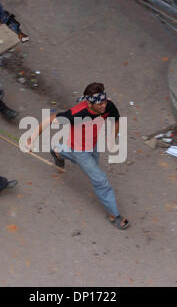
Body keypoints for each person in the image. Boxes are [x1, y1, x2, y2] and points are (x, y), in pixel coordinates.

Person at [27, 82, 129, 229]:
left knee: (89, 166)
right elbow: (50, 119)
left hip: (94, 144)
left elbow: (116, 119)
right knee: (101, 180)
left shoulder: (108, 105)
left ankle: (58, 150)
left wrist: (113, 136)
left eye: (104, 102)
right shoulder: (76, 114)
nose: (103, 106)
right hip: (79, 149)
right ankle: (114, 215)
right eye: (99, 104)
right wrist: (31, 138)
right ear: (89, 103)